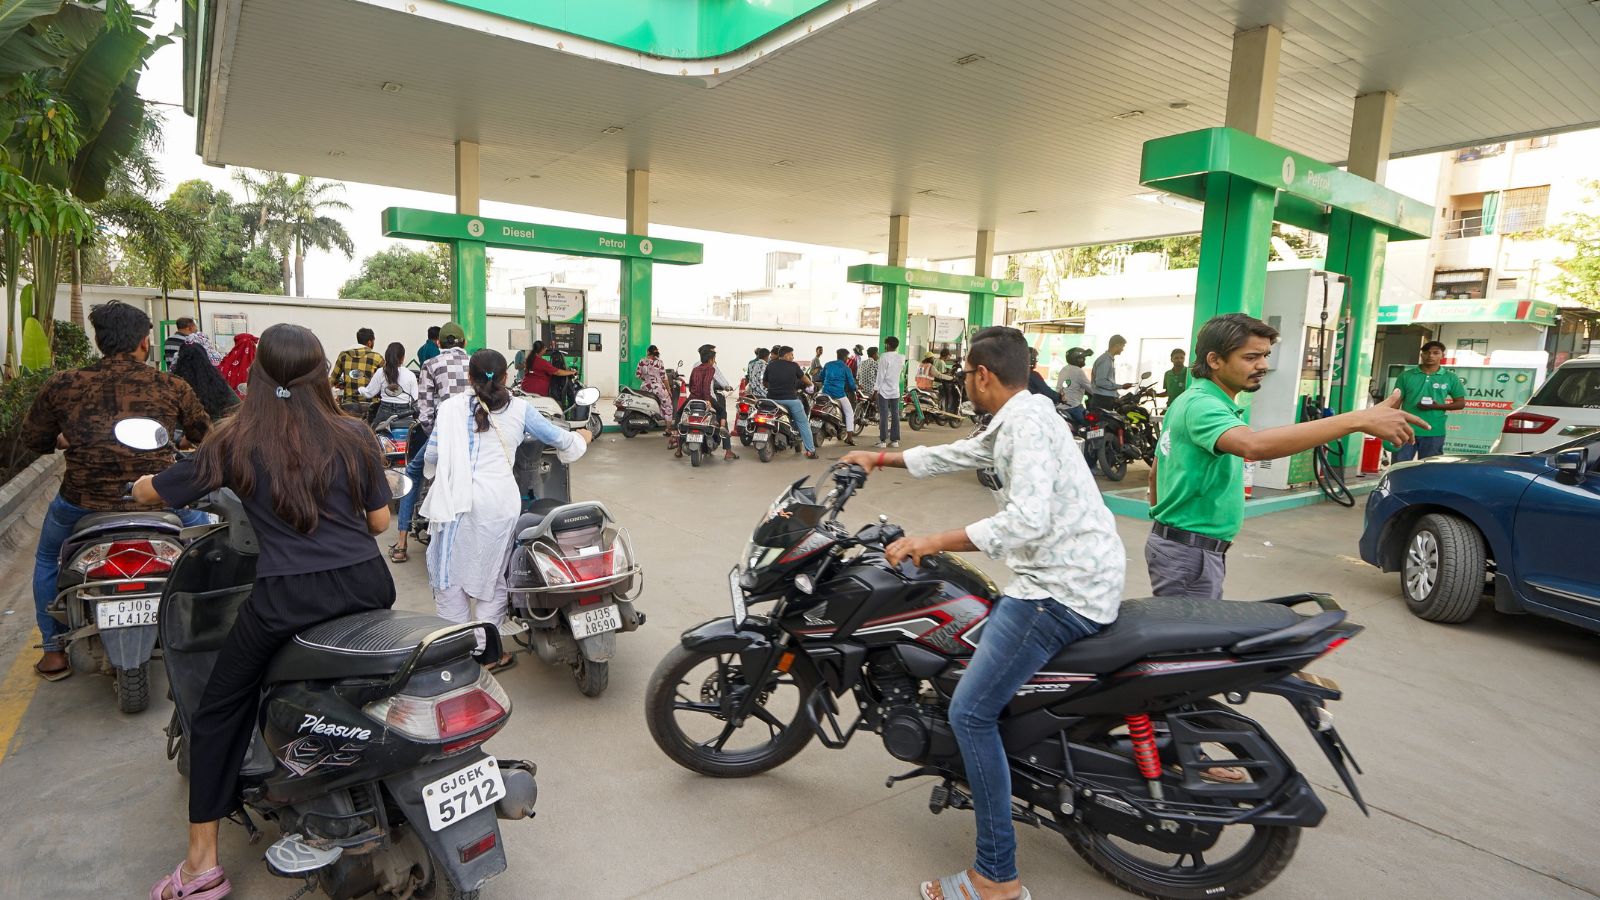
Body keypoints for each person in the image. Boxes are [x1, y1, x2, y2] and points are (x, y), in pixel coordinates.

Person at [839, 326, 1124, 900]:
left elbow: (1025, 522)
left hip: (1059, 588)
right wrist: (880, 457)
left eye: (966, 374)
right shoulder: (1028, 411)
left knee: (971, 713)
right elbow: (961, 452)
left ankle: (997, 877)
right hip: (1071, 572)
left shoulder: (1025, 423)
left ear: (982, 375)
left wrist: (930, 539)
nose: (964, 382)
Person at [135, 323, 396, 900]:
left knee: (219, 708)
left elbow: (157, 494)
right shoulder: (353, 433)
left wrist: (141, 485)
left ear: (255, 376)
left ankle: (202, 866)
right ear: (321, 372)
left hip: (286, 600)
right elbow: (380, 523)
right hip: (369, 587)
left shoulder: (236, 439)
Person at [1147, 313, 1426, 599]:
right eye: (1251, 357)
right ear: (1215, 360)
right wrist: (1357, 420)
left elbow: (1157, 469)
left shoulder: (1191, 399)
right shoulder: (1204, 405)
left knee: (1189, 635)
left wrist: (1165, 528)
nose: (1263, 365)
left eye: (1266, 355)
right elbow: (1252, 446)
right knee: (1190, 640)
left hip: (1185, 548)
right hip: (1190, 553)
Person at [23, 301, 213, 682]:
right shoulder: (171, 386)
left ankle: (54, 651)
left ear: (99, 341)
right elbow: (204, 437)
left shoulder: (64, 383)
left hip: (81, 503)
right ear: (145, 342)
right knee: (212, 540)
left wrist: (63, 439)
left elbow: (34, 439)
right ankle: (208, 630)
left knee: (48, 558)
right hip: (159, 500)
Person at [421, 349, 593, 667]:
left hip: (456, 505)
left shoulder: (451, 409)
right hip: (499, 506)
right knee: (493, 579)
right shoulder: (520, 409)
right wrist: (583, 437)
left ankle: (456, 654)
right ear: (504, 377)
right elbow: (560, 439)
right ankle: (488, 653)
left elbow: (431, 457)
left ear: (469, 377)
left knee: (449, 577)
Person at [391, 322, 471, 563]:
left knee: (412, 475)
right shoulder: (475, 363)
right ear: (464, 342)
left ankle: (402, 544)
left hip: (444, 435)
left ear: (439, 343)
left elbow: (424, 411)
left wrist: (434, 436)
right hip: (474, 437)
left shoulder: (431, 364)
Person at [1392, 340, 1466, 461]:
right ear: (1421, 355)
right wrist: (1391, 424)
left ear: (1442, 355)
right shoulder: (1406, 376)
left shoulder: (1450, 377)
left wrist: (1436, 407)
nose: (1431, 356)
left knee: (1430, 470)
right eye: (1427, 352)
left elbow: (1460, 403)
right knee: (1399, 467)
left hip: (1434, 431)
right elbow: (1395, 402)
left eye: (1436, 353)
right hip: (1405, 429)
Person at [678, 345, 738, 460]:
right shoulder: (712, 367)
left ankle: (678, 448)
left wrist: (694, 394)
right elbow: (718, 382)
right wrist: (726, 386)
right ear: (710, 356)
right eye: (713, 354)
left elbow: (691, 384)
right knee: (722, 413)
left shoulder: (696, 366)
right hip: (708, 398)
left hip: (693, 398)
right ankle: (728, 451)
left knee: (682, 416)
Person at [764, 345, 818, 459]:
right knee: (803, 423)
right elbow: (804, 379)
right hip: (790, 400)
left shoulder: (770, 365)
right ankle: (811, 451)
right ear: (787, 355)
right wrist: (810, 384)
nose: (793, 357)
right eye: (792, 355)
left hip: (772, 399)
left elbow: (765, 383)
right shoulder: (794, 366)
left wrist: (774, 387)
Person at [171, 339, 241, 421]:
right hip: (216, 429)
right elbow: (238, 406)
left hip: (186, 431)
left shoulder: (174, 383)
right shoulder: (216, 381)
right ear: (205, 357)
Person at [361, 341, 420, 419]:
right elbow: (415, 399)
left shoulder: (381, 372)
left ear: (387, 357)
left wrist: (360, 389)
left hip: (384, 413)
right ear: (402, 358)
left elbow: (368, 394)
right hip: (404, 414)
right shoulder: (411, 375)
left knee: (373, 430)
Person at [330, 327, 383, 413]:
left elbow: (333, 379)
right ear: (369, 342)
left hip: (349, 405)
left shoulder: (343, 355)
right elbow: (385, 380)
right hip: (371, 405)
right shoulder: (377, 358)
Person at [820, 348, 859, 446]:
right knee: (849, 413)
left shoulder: (828, 364)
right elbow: (851, 384)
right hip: (839, 394)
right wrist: (856, 388)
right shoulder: (846, 368)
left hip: (825, 392)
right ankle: (849, 438)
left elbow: (821, 377)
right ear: (845, 357)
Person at [875, 336, 906, 448]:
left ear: (888, 345)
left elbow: (881, 374)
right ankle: (894, 441)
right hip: (895, 390)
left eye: (885, 344)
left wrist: (876, 389)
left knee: (883, 415)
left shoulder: (884, 357)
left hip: (883, 390)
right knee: (895, 415)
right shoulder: (901, 357)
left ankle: (883, 441)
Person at [1089, 334, 1132, 412]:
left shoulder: (1109, 359)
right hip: (1102, 399)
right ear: (1117, 345)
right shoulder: (1105, 360)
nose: (1122, 349)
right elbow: (1101, 382)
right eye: (1122, 346)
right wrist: (1121, 386)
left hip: (1105, 398)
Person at [1055, 347, 1092, 427]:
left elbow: (1071, 386)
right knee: (1090, 426)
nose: (1084, 359)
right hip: (1073, 406)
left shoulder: (1064, 369)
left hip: (1060, 406)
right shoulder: (1078, 371)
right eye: (1082, 358)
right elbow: (1092, 389)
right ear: (1077, 359)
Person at [636, 344, 674, 420]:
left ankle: (644, 425)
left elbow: (638, 375)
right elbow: (664, 378)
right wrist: (669, 389)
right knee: (668, 406)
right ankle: (668, 429)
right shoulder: (659, 362)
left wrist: (647, 379)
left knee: (644, 405)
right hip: (658, 388)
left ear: (648, 352)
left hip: (645, 387)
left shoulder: (642, 361)